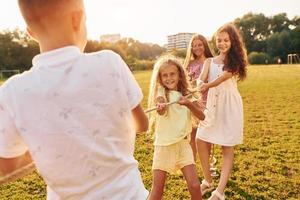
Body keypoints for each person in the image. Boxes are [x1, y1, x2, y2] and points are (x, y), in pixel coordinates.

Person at [0, 0, 149, 199]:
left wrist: (46, 148)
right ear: (77, 18)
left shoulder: (12, 91)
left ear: (30, 32)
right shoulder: (110, 62)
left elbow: (8, 165)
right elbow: (142, 124)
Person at [196, 23, 247, 200]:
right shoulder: (209, 61)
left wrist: (207, 86)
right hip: (212, 105)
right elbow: (201, 79)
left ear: (232, 41)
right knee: (200, 139)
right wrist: (200, 84)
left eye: (226, 40)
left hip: (229, 105)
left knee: (227, 146)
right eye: (219, 40)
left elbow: (223, 77)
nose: (222, 43)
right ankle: (208, 180)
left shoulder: (234, 61)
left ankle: (220, 191)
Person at [147, 55, 205, 200]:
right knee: (157, 191)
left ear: (179, 75)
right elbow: (162, 108)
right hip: (164, 146)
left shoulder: (186, 94)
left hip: (183, 146)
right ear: (160, 78)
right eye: (164, 75)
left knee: (195, 186)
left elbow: (202, 116)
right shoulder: (162, 92)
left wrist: (188, 103)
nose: (169, 78)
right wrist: (160, 106)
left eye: (172, 74)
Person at [183, 34, 213, 160]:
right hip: (193, 102)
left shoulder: (212, 61)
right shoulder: (189, 63)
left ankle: (209, 163)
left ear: (205, 45)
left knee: (207, 135)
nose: (196, 48)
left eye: (199, 45)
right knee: (193, 134)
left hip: (209, 101)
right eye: (194, 45)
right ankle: (192, 164)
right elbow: (183, 82)